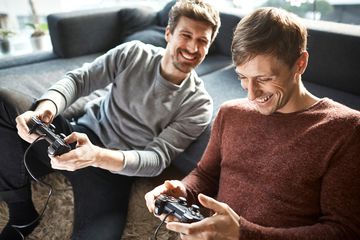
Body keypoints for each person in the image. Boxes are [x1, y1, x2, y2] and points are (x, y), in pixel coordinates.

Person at [0, 0, 221, 239]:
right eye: (186, 35)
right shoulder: (134, 53)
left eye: (202, 41)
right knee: (6, 102)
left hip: (114, 170)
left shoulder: (199, 104)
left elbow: (157, 158)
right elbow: (79, 80)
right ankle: (22, 212)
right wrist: (47, 108)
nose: (192, 47)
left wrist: (96, 156)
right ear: (168, 33)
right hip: (76, 135)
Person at [145, 7, 360, 240]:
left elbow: (343, 231)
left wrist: (242, 233)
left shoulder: (346, 129)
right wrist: (182, 190)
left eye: (264, 79)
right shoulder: (230, 112)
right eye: (243, 78)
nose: (251, 95)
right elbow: (205, 175)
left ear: (300, 64)